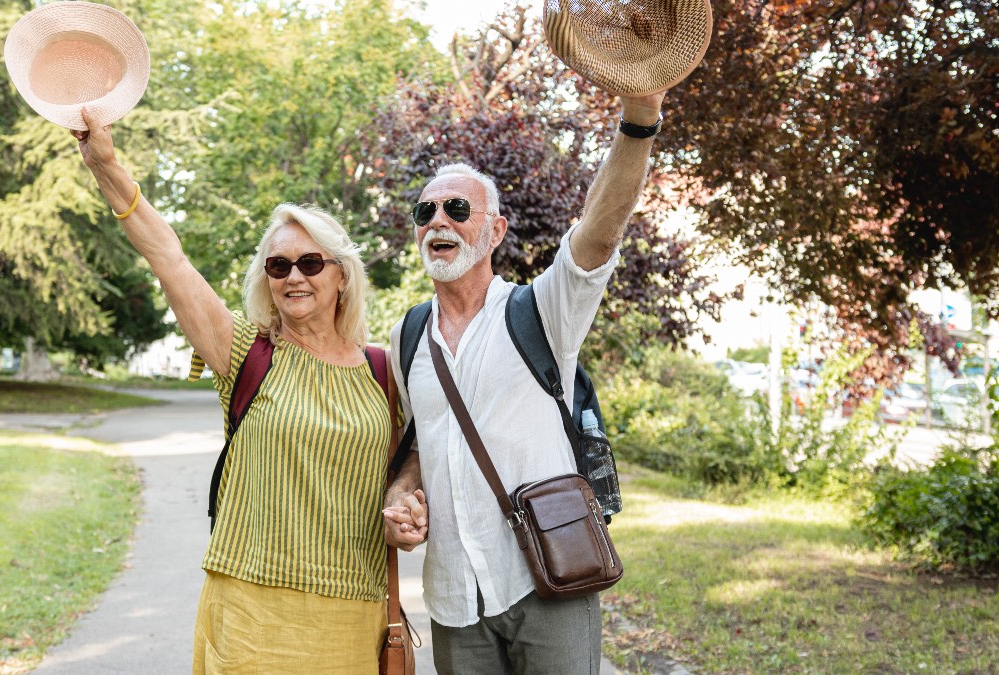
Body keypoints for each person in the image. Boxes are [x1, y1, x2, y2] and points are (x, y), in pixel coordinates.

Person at [72, 107, 396, 673]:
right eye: (278, 265)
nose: (293, 276)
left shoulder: (385, 370)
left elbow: (411, 464)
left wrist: (408, 501)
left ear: (342, 274)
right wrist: (106, 166)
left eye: (310, 262)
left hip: (352, 610)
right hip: (251, 609)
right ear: (266, 280)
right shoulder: (245, 351)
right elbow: (166, 256)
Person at [381, 92, 667, 674]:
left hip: (550, 581)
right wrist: (401, 495)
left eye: (457, 209)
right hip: (455, 597)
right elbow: (419, 440)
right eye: (425, 212)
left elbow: (600, 230)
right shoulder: (406, 335)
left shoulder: (542, 312)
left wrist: (639, 120)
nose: (438, 221)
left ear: (495, 231)